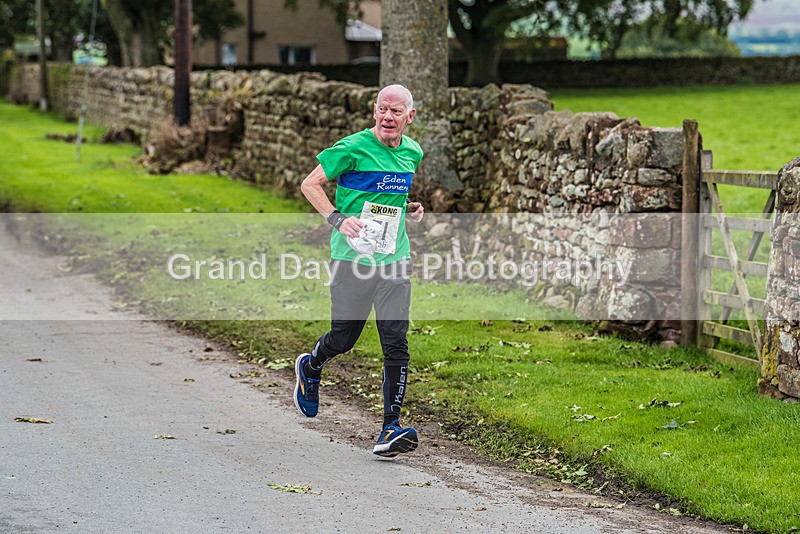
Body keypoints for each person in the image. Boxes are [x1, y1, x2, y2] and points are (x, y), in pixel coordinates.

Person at [294, 84, 425, 458]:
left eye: (396, 111)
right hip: (352, 260)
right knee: (344, 337)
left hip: (394, 259)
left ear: (409, 117)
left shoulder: (412, 152)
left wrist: (410, 208)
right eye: (383, 109)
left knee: (396, 341)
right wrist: (338, 219)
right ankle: (312, 365)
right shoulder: (351, 148)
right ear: (374, 111)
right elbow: (310, 184)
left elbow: (389, 199)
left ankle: (390, 427)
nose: (388, 117)